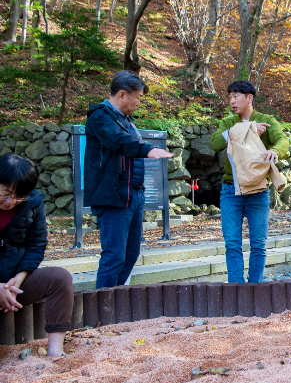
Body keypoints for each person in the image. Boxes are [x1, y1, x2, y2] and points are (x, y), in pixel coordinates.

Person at [84, 71, 173, 289]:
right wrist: (147, 149)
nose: (139, 102)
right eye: (139, 97)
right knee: (114, 255)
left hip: (133, 194)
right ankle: (104, 307)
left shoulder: (126, 119)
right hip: (113, 195)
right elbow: (118, 141)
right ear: (122, 95)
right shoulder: (101, 117)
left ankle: (117, 298)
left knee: (131, 253)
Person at [210, 80, 289, 283]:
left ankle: (255, 289)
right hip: (231, 191)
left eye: (236, 96)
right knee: (232, 244)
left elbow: (283, 141)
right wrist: (245, 129)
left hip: (258, 190)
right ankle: (237, 290)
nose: (232, 101)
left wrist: (275, 150)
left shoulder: (266, 120)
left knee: (258, 244)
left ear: (249, 98)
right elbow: (215, 143)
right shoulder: (229, 123)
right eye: (230, 97)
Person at [0, 154, 73, 356]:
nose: (11, 201)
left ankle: (56, 351)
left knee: (59, 278)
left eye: (19, 197)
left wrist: (19, 278)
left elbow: (37, 244)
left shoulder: (32, 204)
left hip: (15, 282)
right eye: (6, 193)